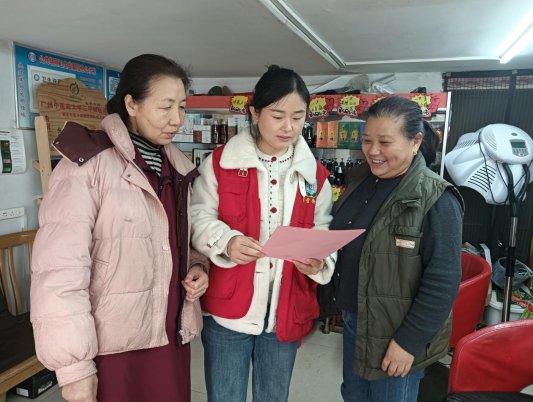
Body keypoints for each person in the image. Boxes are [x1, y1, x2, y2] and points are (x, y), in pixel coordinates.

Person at [30, 54, 209, 402]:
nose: (177, 119)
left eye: (182, 107)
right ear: (131, 104)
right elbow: (59, 271)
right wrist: (75, 368)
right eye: (165, 107)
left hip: (169, 333)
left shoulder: (177, 169)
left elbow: (170, 242)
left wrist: (197, 265)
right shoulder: (87, 164)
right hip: (114, 344)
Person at [190, 66, 336, 402]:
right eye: (278, 116)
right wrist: (226, 240)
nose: (289, 127)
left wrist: (319, 261)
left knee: (273, 395)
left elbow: (322, 228)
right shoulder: (221, 164)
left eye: (298, 117)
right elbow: (198, 214)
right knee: (224, 396)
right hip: (229, 309)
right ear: (255, 113)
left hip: (285, 308)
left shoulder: (314, 175)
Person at [330, 96, 463, 402]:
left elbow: (443, 280)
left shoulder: (436, 198)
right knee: (354, 395)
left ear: (415, 142)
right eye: (367, 140)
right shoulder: (361, 180)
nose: (373, 151)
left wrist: (408, 342)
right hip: (356, 319)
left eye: (385, 142)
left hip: (397, 332)